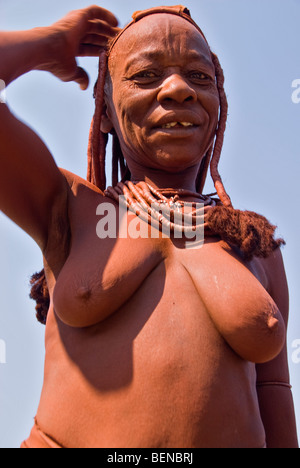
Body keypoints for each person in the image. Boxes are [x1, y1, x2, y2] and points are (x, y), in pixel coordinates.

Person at [0, 4, 298, 448]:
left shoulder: (254, 247)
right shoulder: (71, 210)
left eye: (200, 77)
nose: (178, 89)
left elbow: (275, 396)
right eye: (145, 76)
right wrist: (50, 42)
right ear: (104, 111)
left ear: (220, 105)